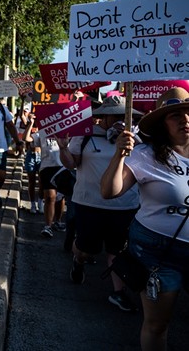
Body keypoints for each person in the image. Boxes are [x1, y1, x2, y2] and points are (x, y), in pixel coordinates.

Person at [101, 87, 189, 351]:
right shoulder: (146, 155)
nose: (185, 119)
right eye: (176, 115)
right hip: (158, 253)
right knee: (157, 324)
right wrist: (120, 155)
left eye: (188, 113)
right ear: (163, 123)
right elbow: (109, 191)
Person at [57, 96, 142, 312]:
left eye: (125, 116)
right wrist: (64, 149)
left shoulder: (135, 139)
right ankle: (78, 260)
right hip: (90, 203)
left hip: (125, 205)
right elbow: (71, 165)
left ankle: (118, 292)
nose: (121, 120)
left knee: (118, 250)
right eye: (116, 115)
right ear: (104, 116)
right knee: (87, 250)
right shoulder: (85, 136)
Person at [22, 113, 64, 237]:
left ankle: (58, 220)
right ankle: (48, 226)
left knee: (60, 198)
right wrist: (30, 123)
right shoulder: (43, 132)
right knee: (50, 197)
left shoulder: (65, 130)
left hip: (62, 168)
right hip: (47, 168)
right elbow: (27, 138)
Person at [18, 106, 43, 213]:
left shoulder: (44, 127)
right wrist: (23, 101)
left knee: (42, 182)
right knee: (31, 181)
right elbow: (21, 115)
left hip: (42, 155)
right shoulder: (29, 125)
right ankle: (33, 204)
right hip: (31, 155)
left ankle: (40, 202)